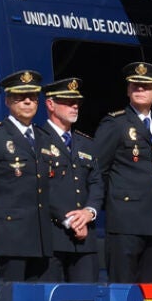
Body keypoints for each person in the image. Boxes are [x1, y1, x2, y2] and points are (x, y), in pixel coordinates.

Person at [0, 70, 51, 293]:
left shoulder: (42, 137)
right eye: (20, 97)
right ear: (7, 101)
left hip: (40, 236)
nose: (27, 102)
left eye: (32, 97)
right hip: (10, 235)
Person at [92, 61, 152, 283]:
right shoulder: (115, 123)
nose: (140, 90)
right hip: (125, 221)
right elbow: (97, 169)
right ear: (128, 90)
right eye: (135, 85)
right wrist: (113, 202)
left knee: (150, 290)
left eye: (146, 86)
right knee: (123, 288)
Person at [39, 77, 102, 284]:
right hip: (52, 236)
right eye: (68, 102)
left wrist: (89, 212)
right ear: (51, 104)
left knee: (86, 299)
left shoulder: (86, 143)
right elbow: (39, 187)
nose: (75, 106)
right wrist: (70, 220)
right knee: (49, 299)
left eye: (77, 103)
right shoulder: (38, 140)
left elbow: (96, 182)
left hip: (85, 237)